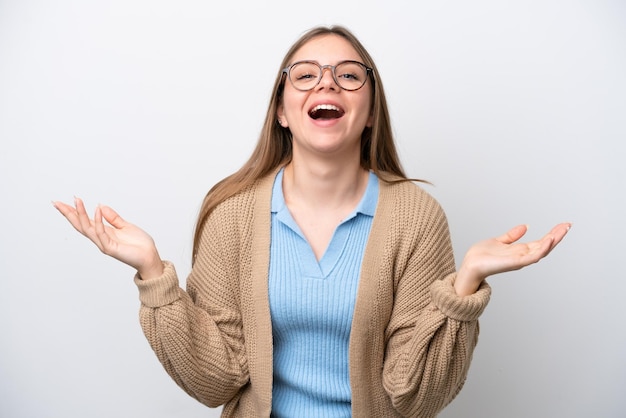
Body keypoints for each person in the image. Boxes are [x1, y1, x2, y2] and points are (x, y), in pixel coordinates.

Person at [53, 25, 570, 418]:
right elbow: (217, 381)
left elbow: (413, 396)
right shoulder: (231, 214)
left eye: (348, 75)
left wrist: (464, 286)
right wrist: (152, 274)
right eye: (305, 75)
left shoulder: (416, 216)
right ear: (281, 109)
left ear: (370, 111)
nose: (327, 83)